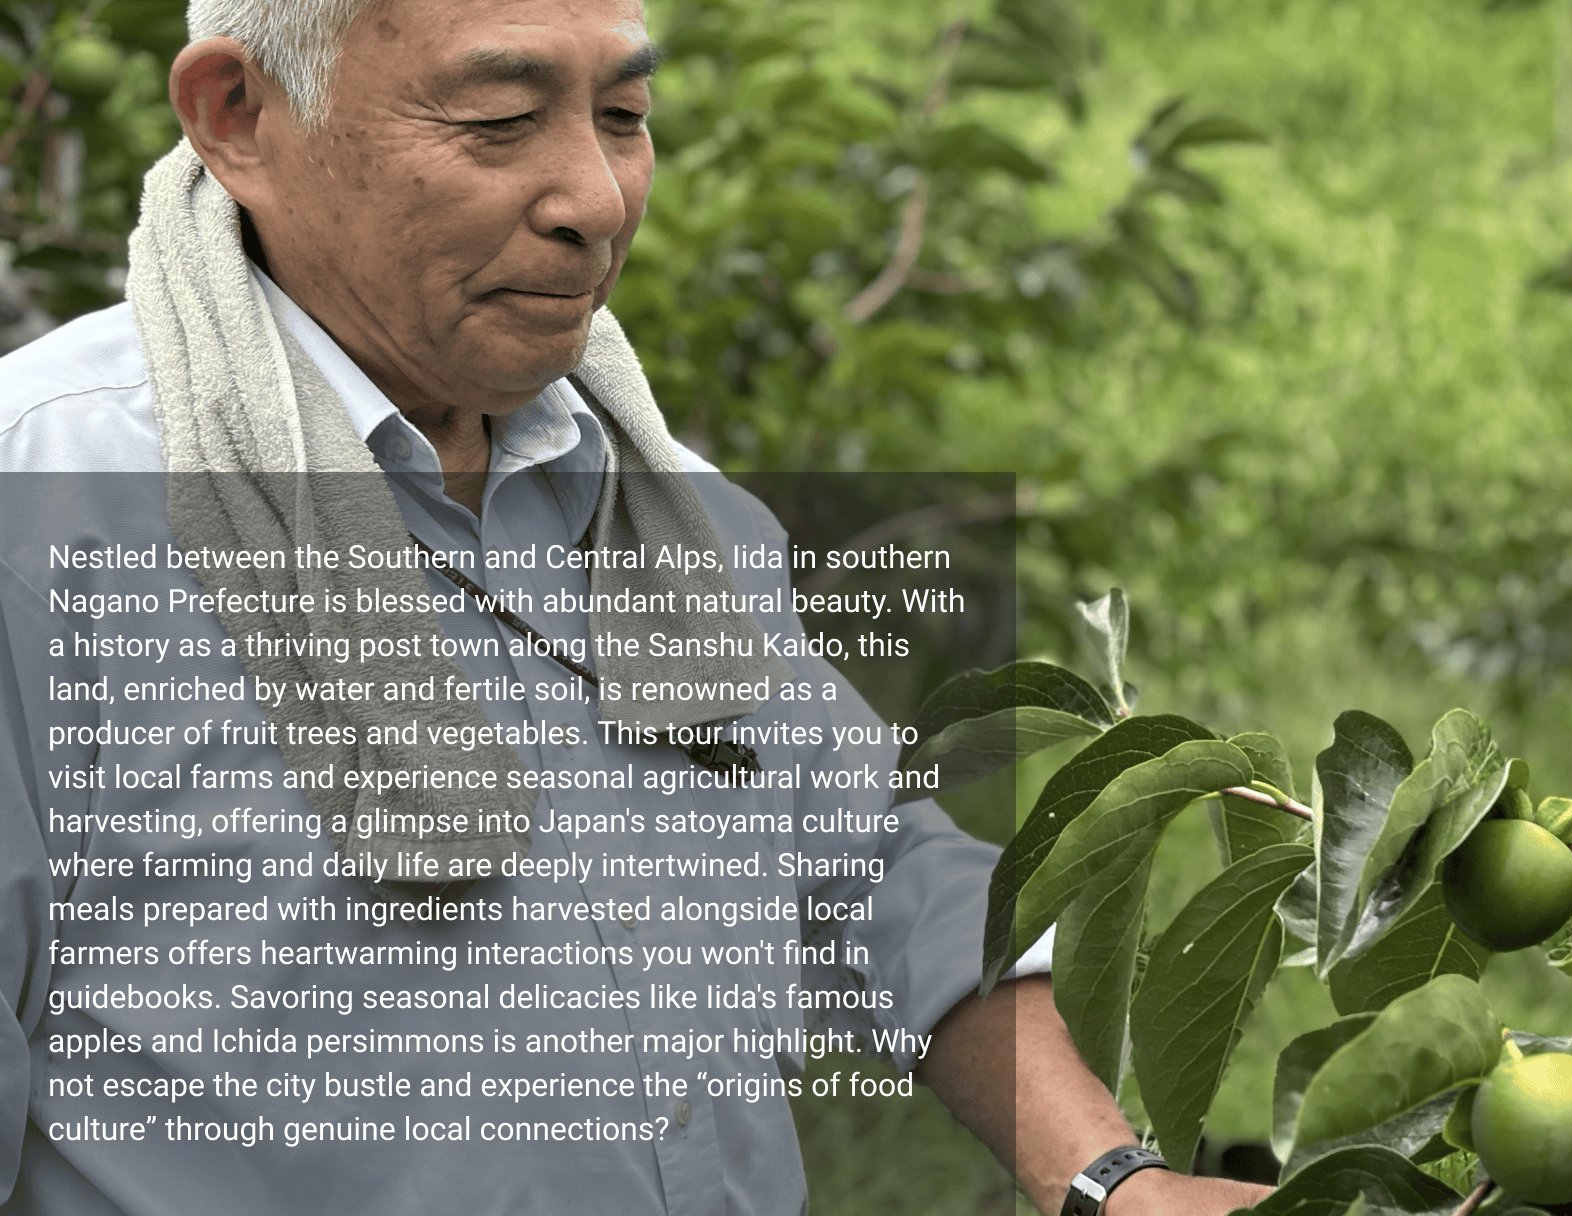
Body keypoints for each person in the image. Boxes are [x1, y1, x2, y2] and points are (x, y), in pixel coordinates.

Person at [0, 1, 1273, 1213]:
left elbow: (871, 872)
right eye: (498, 121)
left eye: (623, 113)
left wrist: (1114, 1182)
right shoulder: (48, 518)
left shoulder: (656, 500)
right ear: (238, 113)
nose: (597, 202)